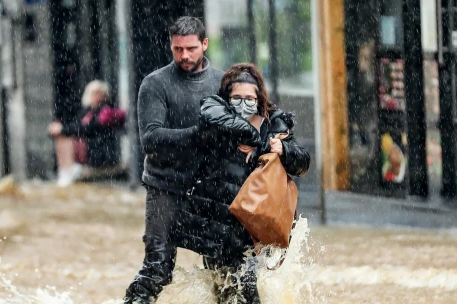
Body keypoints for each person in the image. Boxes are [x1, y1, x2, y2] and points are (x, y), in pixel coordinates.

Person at [172, 63, 310, 303]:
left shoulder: (275, 122)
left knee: (246, 290)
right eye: (237, 97)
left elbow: (302, 163)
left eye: (249, 98)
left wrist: (283, 149)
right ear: (227, 97)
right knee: (224, 291)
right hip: (217, 224)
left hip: (252, 227)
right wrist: (253, 137)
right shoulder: (215, 115)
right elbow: (210, 115)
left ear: (258, 98)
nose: (243, 103)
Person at [124, 17, 225, 303]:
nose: (184, 56)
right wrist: (198, 134)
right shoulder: (155, 84)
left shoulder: (222, 82)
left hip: (211, 187)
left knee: (226, 269)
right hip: (165, 185)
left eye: (191, 48)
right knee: (157, 268)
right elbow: (151, 139)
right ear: (170, 46)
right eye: (178, 49)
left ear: (204, 44)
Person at [48, 80, 125, 186]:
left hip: (100, 153)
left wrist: (63, 129)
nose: (95, 96)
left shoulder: (106, 111)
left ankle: (69, 170)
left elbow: (89, 129)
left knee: (67, 136)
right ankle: (65, 171)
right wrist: (60, 128)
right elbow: (76, 125)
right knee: (64, 136)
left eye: (98, 93)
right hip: (90, 150)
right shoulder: (88, 111)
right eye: (93, 93)